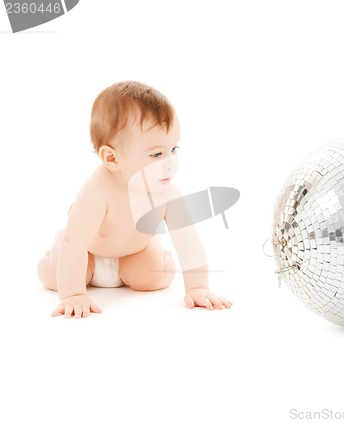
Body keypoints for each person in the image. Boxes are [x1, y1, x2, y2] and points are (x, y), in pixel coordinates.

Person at [37, 81, 232, 318]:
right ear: (112, 158)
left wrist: (198, 287)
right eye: (157, 154)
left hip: (134, 252)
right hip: (87, 252)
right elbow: (76, 244)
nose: (170, 162)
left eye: (174, 149)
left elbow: (188, 242)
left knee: (154, 278)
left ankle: (155, 251)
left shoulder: (168, 193)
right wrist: (73, 295)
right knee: (55, 276)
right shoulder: (98, 190)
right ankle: (52, 256)